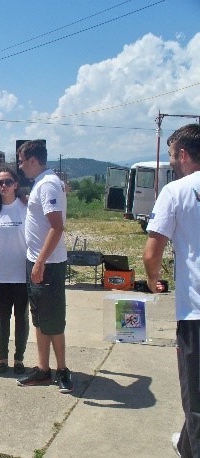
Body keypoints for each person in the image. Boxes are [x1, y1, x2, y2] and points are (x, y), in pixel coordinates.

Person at [143, 124, 200, 458]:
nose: (171, 163)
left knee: (196, 400)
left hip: (195, 310)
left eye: (171, 156)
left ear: (183, 155)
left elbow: (152, 253)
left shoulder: (176, 191)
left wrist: (154, 281)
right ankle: (185, 446)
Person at [15, 140, 73, 393]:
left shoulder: (48, 183)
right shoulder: (43, 183)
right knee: (39, 318)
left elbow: (57, 226)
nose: (20, 166)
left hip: (47, 264)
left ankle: (62, 370)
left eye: (21, 161)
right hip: (37, 261)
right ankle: (43, 369)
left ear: (33, 160)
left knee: (53, 321)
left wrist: (39, 262)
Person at [0, 167, 29, 374]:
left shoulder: (26, 206)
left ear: (16, 184)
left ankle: (19, 359)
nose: (4, 186)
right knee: (2, 316)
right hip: (0, 273)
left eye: (8, 182)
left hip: (22, 272)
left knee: (21, 316)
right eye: (0, 182)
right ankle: (3, 358)